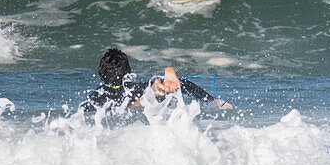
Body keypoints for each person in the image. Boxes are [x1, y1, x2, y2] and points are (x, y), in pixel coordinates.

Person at [81, 48, 232, 113]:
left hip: (117, 104)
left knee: (131, 104)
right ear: (128, 72)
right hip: (136, 96)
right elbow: (184, 85)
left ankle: (157, 90)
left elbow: (85, 110)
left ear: (101, 73)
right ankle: (158, 87)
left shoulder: (96, 94)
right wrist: (211, 101)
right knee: (147, 95)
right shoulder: (133, 87)